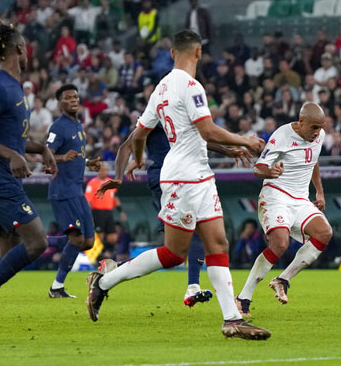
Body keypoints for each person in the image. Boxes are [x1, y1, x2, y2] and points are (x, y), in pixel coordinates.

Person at [85, 30, 271, 340]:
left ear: (173, 53)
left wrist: (139, 159)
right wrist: (246, 140)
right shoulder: (191, 86)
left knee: (218, 244)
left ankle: (232, 319)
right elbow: (207, 130)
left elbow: (140, 135)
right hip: (184, 177)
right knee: (173, 254)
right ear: (198, 53)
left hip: (195, 174)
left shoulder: (161, 89)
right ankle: (103, 283)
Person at [96, 119, 249, 307]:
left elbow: (201, 138)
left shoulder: (183, 111)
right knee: (176, 249)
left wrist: (227, 151)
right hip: (168, 178)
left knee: (195, 236)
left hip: (188, 178)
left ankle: (193, 287)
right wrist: (118, 177)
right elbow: (128, 144)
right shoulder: (159, 112)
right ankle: (114, 274)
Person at [236, 103, 331, 316]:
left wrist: (319, 192)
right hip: (275, 196)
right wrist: (271, 173)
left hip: (300, 200)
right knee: (280, 243)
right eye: (314, 127)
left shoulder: (319, 136)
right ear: (301, 122)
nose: (318, 132)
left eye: (321, 127)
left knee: (324, 233)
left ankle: (283, 279)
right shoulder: (282, 136)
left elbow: (313, 161)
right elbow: (258, 168)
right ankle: (243, 298)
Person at [0, 22, 57, 300]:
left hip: (3, 178)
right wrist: (12, 155)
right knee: (37, 242)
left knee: (8, 252)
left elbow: (11, 139)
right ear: (19, 48)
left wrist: (39, 148)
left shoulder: (14, 88)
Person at [46, 84, 103, 298]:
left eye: (75, 96)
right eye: (68, 97)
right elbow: (47, 155)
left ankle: (53, 242)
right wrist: (61, 158)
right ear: (60, 103)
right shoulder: (58, 127)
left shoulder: (78, 126)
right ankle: (57, 287)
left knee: (88, 242)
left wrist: (89, 163)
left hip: (76, 190)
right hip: (62, 191)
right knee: (77, 240)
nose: (73, 100)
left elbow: (74, 156)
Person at [84, 163, 126, 259]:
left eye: (106, 169)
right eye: (102, 169)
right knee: (100, 237)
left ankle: (109, 253)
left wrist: (121, 211)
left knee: (113, 237)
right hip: (97, 212)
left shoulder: (110, 183)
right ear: (98, 171)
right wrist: (87, 214)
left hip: (109, 212)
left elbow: (114, 197)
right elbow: (88, 200)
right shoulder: (92, 183)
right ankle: (100, 257)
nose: (104, 171)